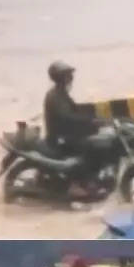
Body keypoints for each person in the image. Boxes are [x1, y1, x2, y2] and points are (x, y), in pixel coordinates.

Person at [42, 61, 101, 195]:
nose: (71, 78)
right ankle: (76, 184)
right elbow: (67, 117)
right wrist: (88, 122)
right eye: (68, 75)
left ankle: (91, 180)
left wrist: (94, 117)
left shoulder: (61, 93)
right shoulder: (55, 96)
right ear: (60, 77)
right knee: (89, 146)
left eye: (70, 75)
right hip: (59, 138)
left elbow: (75, 110)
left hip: (64, 134)